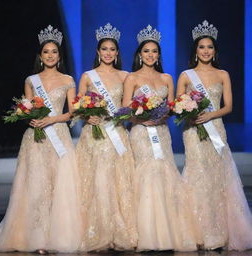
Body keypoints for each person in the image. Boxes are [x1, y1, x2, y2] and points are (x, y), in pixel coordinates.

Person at [0, 25, 82, 253]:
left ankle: (57, 235)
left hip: (58, 134)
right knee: (36, 185)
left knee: (58, 184)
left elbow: (72, 112)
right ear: (40, 56)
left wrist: (52, 119)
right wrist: (29, 119)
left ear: (59, 55)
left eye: (54, 51)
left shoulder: (68, 79)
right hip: (36, 138)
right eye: (46, 52)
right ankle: (36, 237)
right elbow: (26, 109)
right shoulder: (31, 80)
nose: (50, 55)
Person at [176, 20, 252, 251]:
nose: (206, 51)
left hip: (215, 128)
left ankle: (220, 231)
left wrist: (210, 116)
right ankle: (197, 232)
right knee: (197, 174)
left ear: (215, 50)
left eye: (210, 47)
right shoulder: (186, 75)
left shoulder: (222, 74)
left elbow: (228, 106)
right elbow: (178, 104)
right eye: (202, 47)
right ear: (195, 50)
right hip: (193, 129)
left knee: (218, 177)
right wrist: (188, 112)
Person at [122, 25, 196, 251]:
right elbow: (125, 108)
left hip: (161, 132)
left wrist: (165, 112)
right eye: (146, 51)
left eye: (154, 51)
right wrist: (142, 118)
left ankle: (166, 233)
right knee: (146, 174)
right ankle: (146, 233)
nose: (151, 55)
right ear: (139, 54)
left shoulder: (167, 78)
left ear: (158, 55)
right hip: (141, 133)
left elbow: (172, 106)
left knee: (164, 174)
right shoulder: (132, 78)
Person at [75, 23, 137, 251]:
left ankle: (118, 231)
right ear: (98, 52)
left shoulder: (125, 76)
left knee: (118, 181)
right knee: (97, 182)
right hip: (94, 135)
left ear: (117, 53)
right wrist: (86, 117)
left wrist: (124, 118)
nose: (108, 53)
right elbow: (77, 106)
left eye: (112, 49)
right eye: (104, 49)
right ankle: (96, 232)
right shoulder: (88, 76)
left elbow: (129, 107)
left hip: (117, 133)